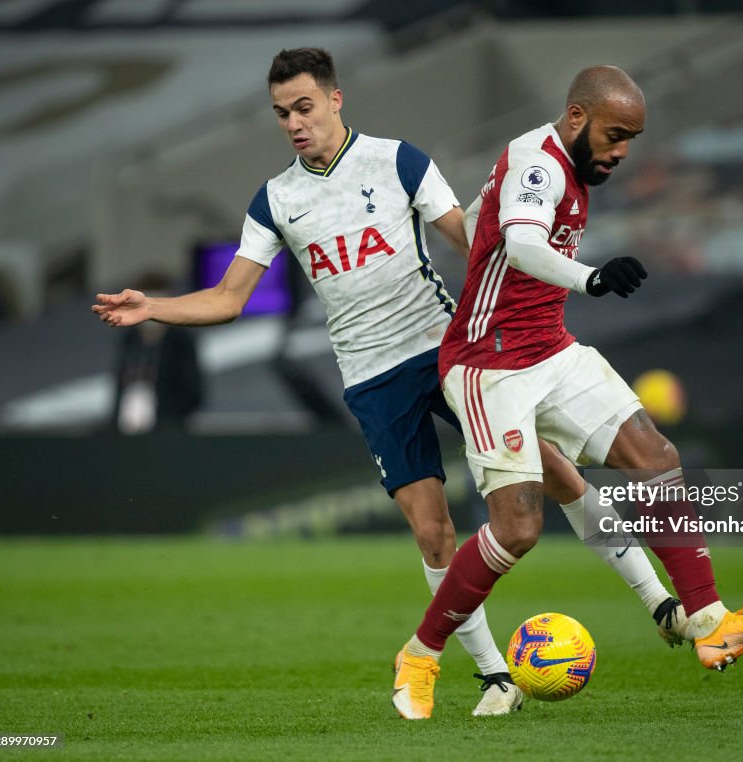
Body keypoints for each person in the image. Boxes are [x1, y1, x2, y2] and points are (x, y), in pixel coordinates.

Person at [93, 48, 689, 718]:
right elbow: (230, 298)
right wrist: (154, 308)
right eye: (282, 113)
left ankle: (660, 602)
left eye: (304, 107)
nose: (294, 123)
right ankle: (495, 676)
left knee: (557, 474)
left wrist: (539, 281)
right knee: (433, 533)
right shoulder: (275, 201)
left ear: (336, 99)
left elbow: (477, 239)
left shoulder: (400, 161)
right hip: (372, 379)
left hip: (447, 350)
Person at [391, 65, 743, 720]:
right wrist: (591, 279)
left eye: (631, 139)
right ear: (578, 117)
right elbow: (523, 244)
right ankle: (420, 654)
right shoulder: (540, 162)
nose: (620, 151)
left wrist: (484, 229)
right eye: (615, 135)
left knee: (655, 457)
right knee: (517, 530)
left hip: (551, 349)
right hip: (487, 366)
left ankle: (708, 619)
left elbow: (488, 226)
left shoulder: (555, 168)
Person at [111, 272, 203, 434]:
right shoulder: (129, 340)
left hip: (169, 430)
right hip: (126, 428)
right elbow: (119, 383)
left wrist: (165, 415)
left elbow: (193, 391)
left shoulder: (180, 341)